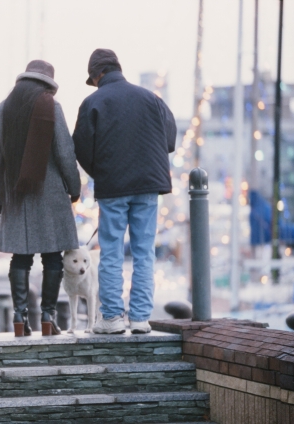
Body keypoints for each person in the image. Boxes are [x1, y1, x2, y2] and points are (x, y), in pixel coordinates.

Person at [73, 49, 177, 335]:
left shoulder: (93, 102)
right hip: (148, 185)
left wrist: (101, 171)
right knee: (144, 253)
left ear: (97, 75)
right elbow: (169, 138)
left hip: (113, 187)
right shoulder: (151, 99)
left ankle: (112, 318)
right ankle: (141, 318)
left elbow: (80, 147)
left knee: (111, 252)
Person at [0, 60, 81, 337]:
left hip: (15, 196)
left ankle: (19, 317)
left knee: (21, 257)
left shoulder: (1, 111)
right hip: (49, 194)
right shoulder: (52, 107)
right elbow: (65, 153)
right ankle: (48, 317)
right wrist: (74, 187)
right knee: (53, 257)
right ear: (46, 86)